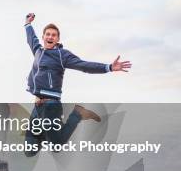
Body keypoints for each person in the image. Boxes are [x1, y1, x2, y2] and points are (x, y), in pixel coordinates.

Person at [24, 13, 131, 156]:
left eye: (54, 35)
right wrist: (27, 24)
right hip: (37, 106)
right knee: (29, 152)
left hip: (51, 106)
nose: (50, 37)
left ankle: (77, 114)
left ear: (58, 39)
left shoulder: (62, 55)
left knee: (56, 146)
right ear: (43, 37)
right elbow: (31, 39)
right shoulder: (38, 51)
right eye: (47, 34)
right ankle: (45, 133)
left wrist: (108, 67)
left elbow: (84, 65)